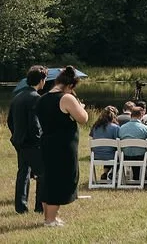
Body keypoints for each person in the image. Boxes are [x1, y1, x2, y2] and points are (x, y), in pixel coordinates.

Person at [36, 66, 88, 227]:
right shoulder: (66, 98)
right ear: (71, 85)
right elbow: (83, 118)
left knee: (48, 180)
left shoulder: (42, 98)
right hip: (63, 146)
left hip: (46, 143)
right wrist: (81, 106)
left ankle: (50, 217)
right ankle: (50, 220)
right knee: (60, 179)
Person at [9, 65, 46, 215]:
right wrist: (39, 140)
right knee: (43, 173)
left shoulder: (17, 96)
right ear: (41, 80)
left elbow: (10, 120)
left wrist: (17, 134)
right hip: (32, 142)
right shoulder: (35, 98)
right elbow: (34, 123)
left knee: (23, 173)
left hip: (20, 141)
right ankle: (40, 206)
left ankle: (21, 206)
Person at [88, 106, 120, 182]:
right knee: (118, 154)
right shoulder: (115, 128)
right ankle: (112, 174)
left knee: (107, 150)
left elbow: (92, 137)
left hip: (96, 155)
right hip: (111, 155)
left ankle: (105, 173)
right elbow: (118, 143)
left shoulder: (95, 127)